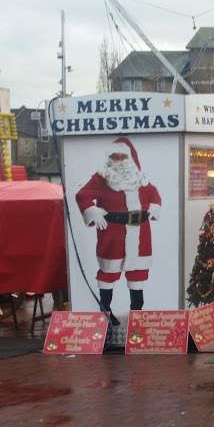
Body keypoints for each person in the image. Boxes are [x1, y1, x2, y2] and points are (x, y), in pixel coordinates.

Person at [75, 137, 162, 325]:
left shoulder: (139, 177)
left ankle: (136, 313)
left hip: (140, 233)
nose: (120, 160)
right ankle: (105, 313)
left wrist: (155, 205)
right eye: (115, 156)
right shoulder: (101, 178)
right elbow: (82, 195)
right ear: (109, 158)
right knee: (109, 273)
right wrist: (93, 211)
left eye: (123, 156)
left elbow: (153, 193)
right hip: (113, 234)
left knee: (137, 273)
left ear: (130, 158)